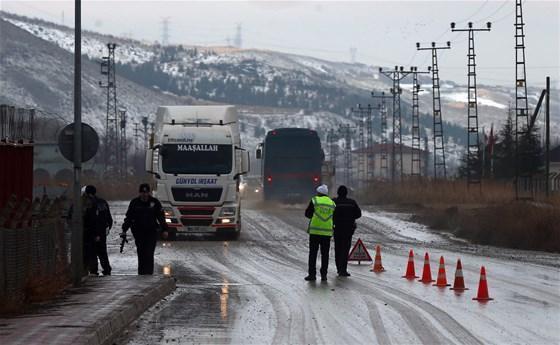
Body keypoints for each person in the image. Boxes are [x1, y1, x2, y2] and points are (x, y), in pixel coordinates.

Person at [121, 183, 168, 275]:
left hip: (151, 232)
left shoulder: (154, 202)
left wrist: (165, 229)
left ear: (149, 193)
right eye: (142, 192)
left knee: (149, 253)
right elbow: (129, 217)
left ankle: (149, 273)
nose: (144, 195)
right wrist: (124, 230)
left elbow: (161, 217)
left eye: (146, 192)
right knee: (141, 253)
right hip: (139, 232)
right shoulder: (134, 202)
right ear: (139, 193)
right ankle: (141, 273)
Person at [304, 184, 335, 281]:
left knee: (313, 253)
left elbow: (307, 214)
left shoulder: (315, 200)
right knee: (325, 255)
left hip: (315, 231)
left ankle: (312, 275)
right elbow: (334, 217)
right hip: (327, 233)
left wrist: (315, 217)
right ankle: (324, 275)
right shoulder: (332, 203)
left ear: (318, 193)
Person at [82, 185, 113, 276]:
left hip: (90, 232)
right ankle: (107, 270)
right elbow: (109, 219)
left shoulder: (88, 203)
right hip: (102, 232)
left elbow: (90, 219)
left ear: (87, 193)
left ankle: (93, 271)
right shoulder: (103, 202)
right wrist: (105, 230)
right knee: (102, 252)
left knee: (91, 252)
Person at [332, 185, 361, 277]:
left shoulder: (334, 202)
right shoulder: (352, 203)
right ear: (346, 193)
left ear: (338, 193)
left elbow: (330, 213)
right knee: (345, 249)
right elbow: (358, 214)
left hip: (337, 228)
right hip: (348, 229)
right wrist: (350, 218)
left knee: (338, 248)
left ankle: (338, 268)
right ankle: (343, 270)